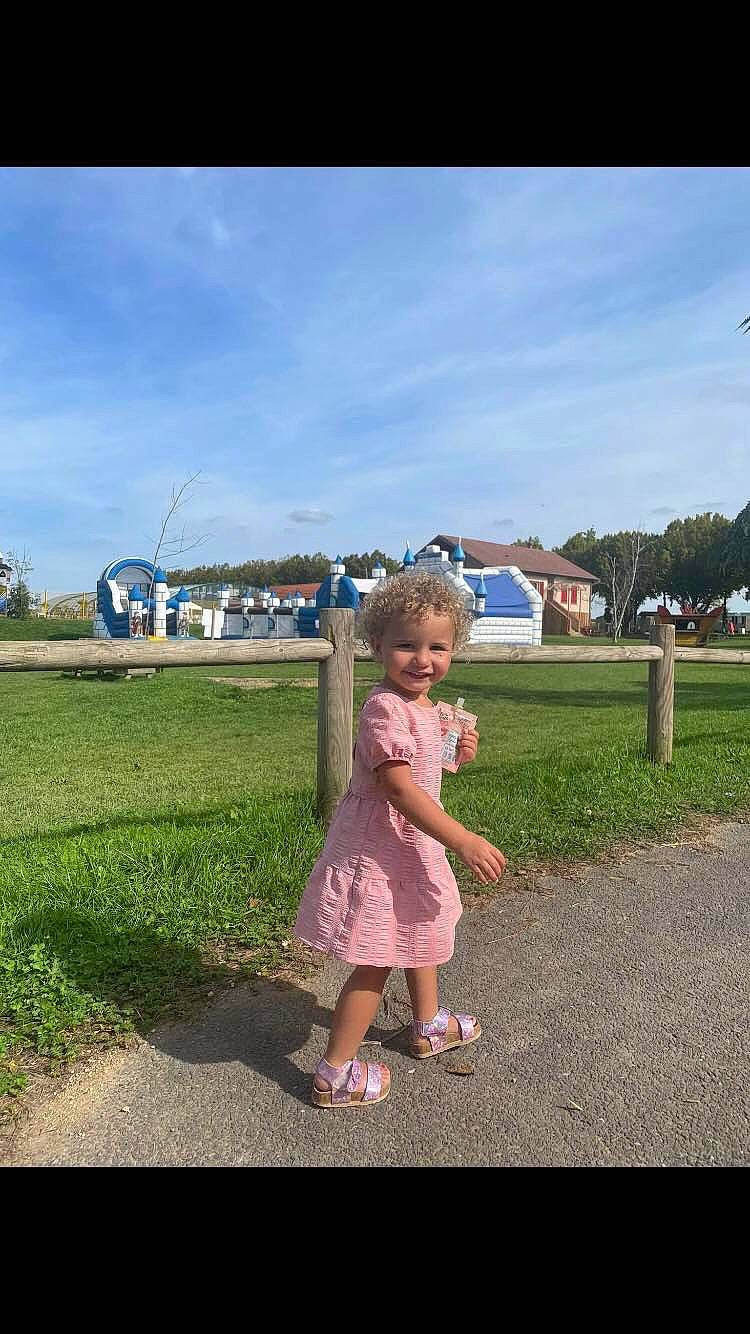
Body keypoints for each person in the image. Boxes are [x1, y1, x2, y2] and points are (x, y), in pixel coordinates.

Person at [293, 572, 507, 1108]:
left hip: (411, 844)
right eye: (406, 645)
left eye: (437, 646)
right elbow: (397, 786)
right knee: (376, 956)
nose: (422, 659)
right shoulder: (383, 708)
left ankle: (429, 1023)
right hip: (377, 848)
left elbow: (425, 768)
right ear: (377, 647)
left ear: (453, 649)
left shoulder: (429, 709)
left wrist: (456, 751)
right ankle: (333, 1071)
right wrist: (463, 840)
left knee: (421, 923)